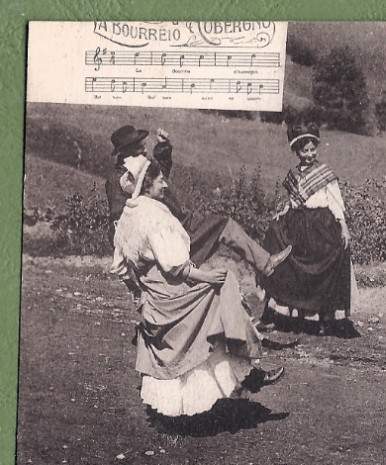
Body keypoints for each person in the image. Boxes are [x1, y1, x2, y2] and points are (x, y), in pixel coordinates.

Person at [111, 155, 285, 422]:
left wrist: (139, 293)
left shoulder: (128, 216)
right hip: (173, 295)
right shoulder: (153, 216)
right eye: (159, 180)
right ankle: (249, 372)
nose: (165, 184)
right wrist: (206, 277)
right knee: (224, 287)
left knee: (219, 302)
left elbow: (122, 267)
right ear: (146, 185)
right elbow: (175, 267)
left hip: (157, 300)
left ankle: (243, 377)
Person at [106, 123, 287, 283]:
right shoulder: (118, 180)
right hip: (167, 235)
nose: (145, 150)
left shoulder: (140, 167)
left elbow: (160, 175)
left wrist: (163, 147)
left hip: (183, 224)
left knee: (225, 225)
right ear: (126, 152)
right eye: (140, 148)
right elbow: (120, 221)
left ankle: (265, 263)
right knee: (224, 228)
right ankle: (264, 264)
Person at [261, 122, 356, 337]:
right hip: (298, 224)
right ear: (297, 151)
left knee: (325, 262)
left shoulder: (324, 174)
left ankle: (323, 317)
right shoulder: (294, 175)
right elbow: (293, 201)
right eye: (305, 150)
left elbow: (335, 202)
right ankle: (281, 314)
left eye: (313, 149)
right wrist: (283, 211)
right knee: (284, 256)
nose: (310, 154)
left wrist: (343, 226)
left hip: (321, 224)